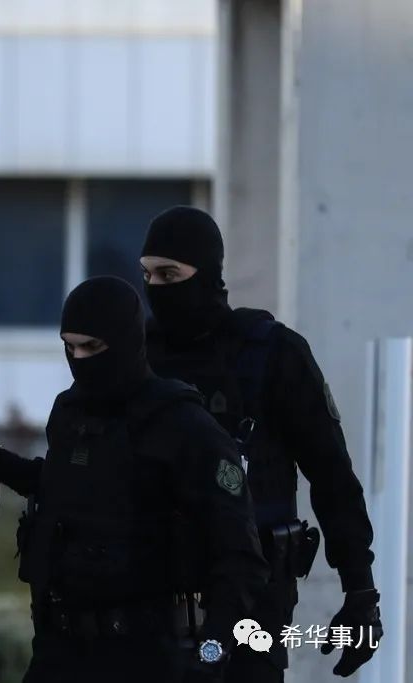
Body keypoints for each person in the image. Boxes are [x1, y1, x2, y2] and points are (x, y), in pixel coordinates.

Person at [139, 206, 382, 682]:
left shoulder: (271, 354)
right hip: (147, 604)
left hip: (253, 608)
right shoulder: (138, 357)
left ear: (206, 274)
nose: (156, 288)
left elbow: (332, 477)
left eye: (170, 274)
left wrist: (360, 591)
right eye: (147, 275)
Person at [0, 276, 268, 683]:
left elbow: (241, 559)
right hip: (60, 650)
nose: (79, 358)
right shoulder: (70, 414)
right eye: (70, 347)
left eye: (92, 347)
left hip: (147, 656)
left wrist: (210, 657)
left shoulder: (183, 425)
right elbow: (62, 488)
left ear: (125, 341)